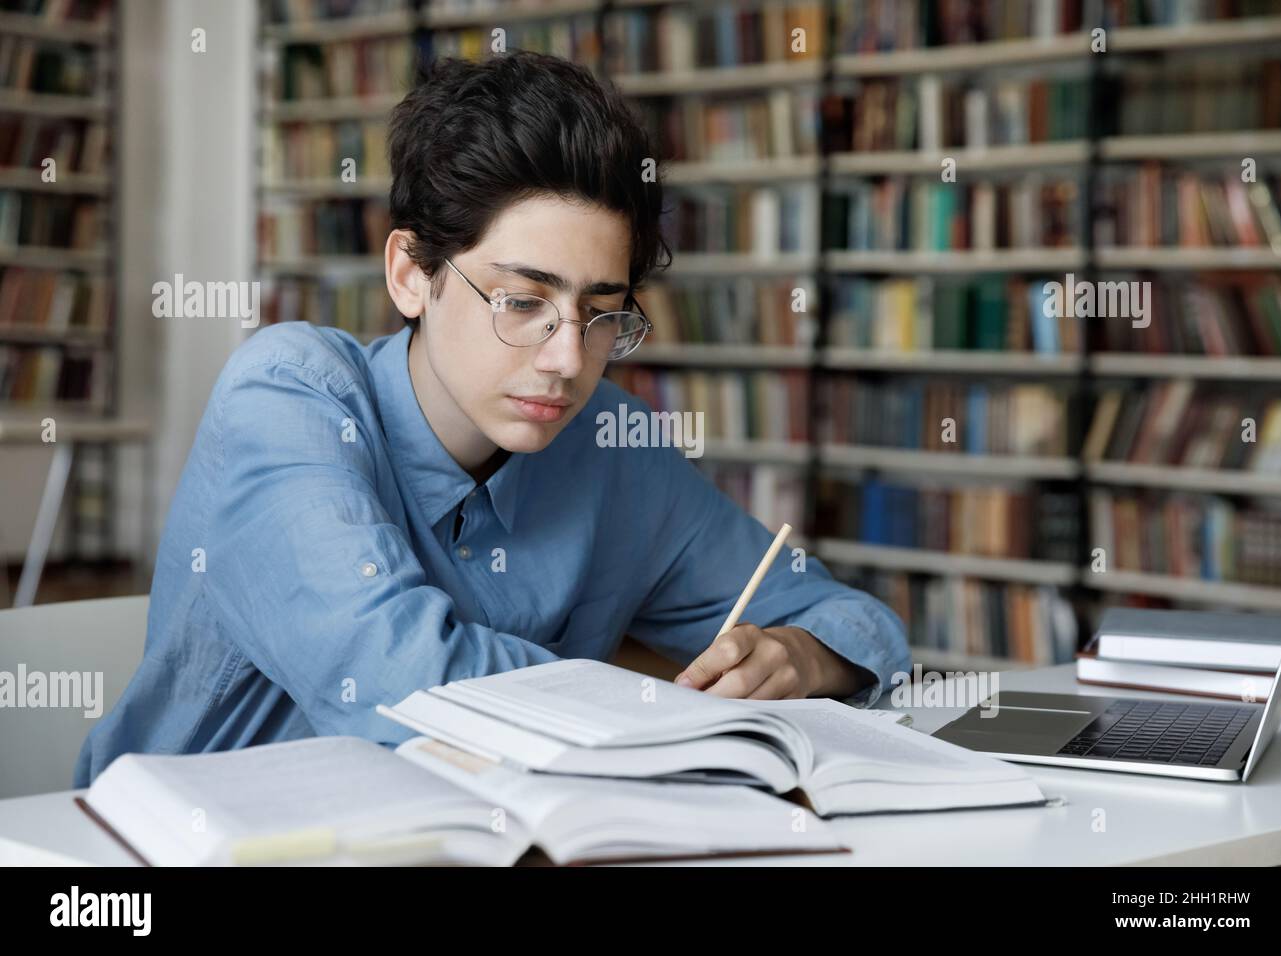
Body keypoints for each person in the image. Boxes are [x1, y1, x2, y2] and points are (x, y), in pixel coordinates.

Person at [75, 52, 909, 787]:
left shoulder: (611, 444)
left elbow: (842, 616)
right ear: (410, 273)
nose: (567, 359)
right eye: (522, 301)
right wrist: (657, 707)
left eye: (601, 314)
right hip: (175, 848)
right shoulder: (290, 395)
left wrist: (804, 655)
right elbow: (401, 683)